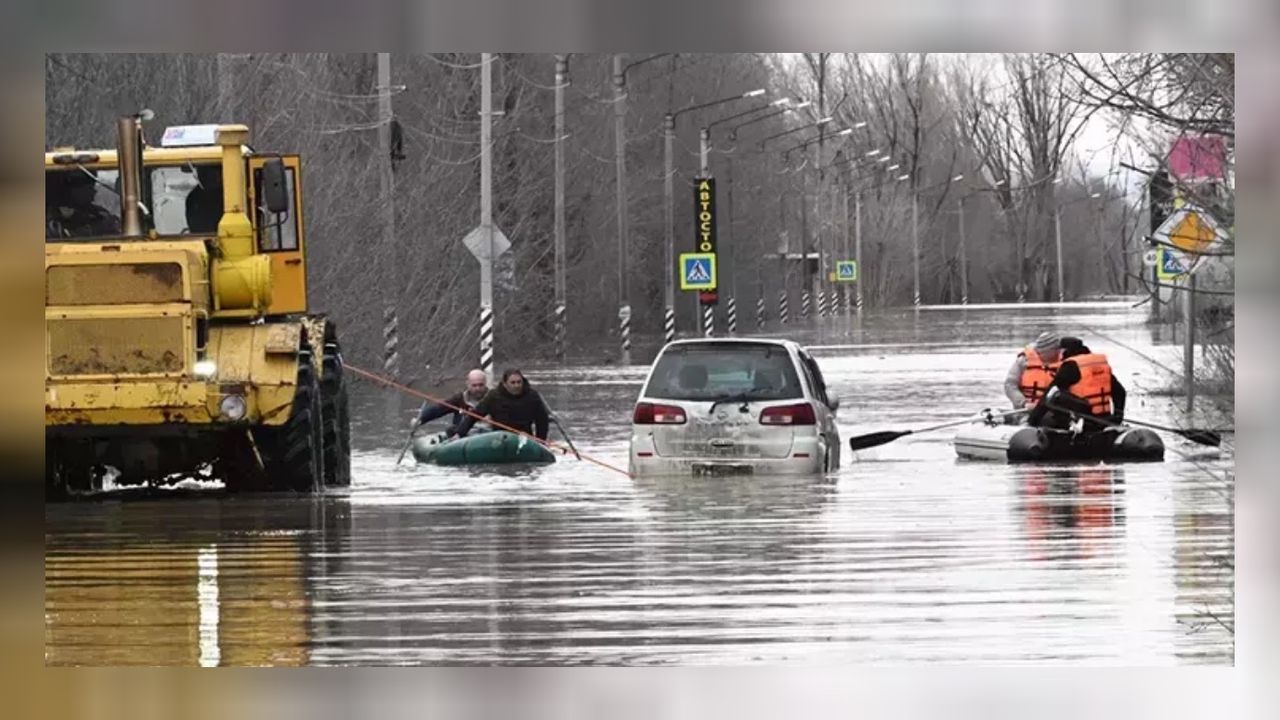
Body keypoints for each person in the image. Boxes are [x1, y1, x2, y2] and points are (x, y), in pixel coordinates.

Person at [1027, 336, 1128, 431]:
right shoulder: (1099, 363)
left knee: (1055, 394)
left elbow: (1049, 395)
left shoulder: (1071, 365)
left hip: (1083, 423)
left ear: (1064, 351)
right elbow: (1120, 392)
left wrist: (1032, 422)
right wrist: (1117, 418)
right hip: (1105, 419)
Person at [452, 368, 550, 440]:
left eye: (519, 382)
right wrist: (459, 434)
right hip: (499, 438)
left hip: (524, 437)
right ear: (505, 384)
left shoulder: (532, 396)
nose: (517, 386)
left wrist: (541, 441)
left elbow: (542, 421)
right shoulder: (494, 396)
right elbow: (474, 416)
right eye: (513, 383)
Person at [411, 369, 490, 437]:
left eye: (480, 385)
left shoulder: (493, 398)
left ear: (485, 383)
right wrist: (421, 419)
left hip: (488, 435)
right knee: (450, 430)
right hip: (463, 436)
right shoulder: (459, 399)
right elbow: (440, 409)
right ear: (468, 384)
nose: (478, 388)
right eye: (474, 385)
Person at [47, 170, 121, 238]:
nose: (94, 191)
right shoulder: (53, 216)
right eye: (89, 187)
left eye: (92, 186)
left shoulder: (98, 213)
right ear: (72, 190)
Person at [1004, 331, 1063, 410]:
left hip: (1053, 410)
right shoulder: (1023, 361)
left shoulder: (1065, 363)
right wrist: (1023, 403)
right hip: (1025, 409)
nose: (1058, 352)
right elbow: (1010, 385)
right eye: (1055, 349)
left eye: (1058, 349)